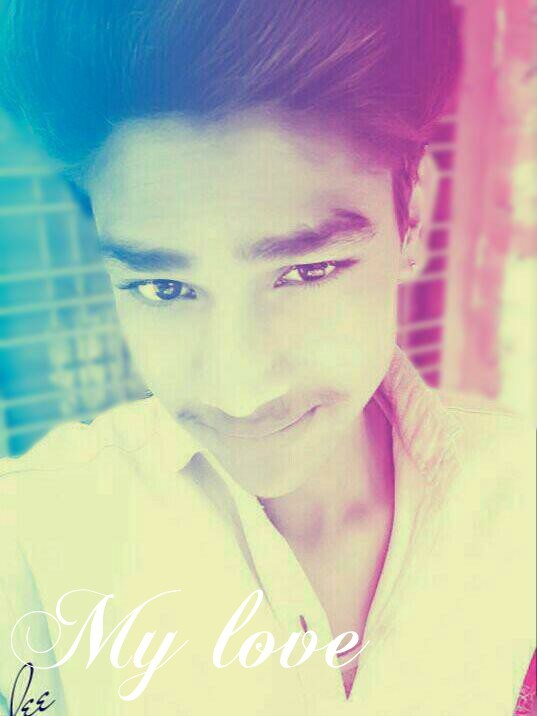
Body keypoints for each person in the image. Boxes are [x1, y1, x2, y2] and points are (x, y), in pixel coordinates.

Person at [0, 1, 534, 714]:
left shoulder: (519, 495)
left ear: (412, 220)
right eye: (164, 288)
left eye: (307, 271)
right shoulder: (31, 543)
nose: (240, 388)